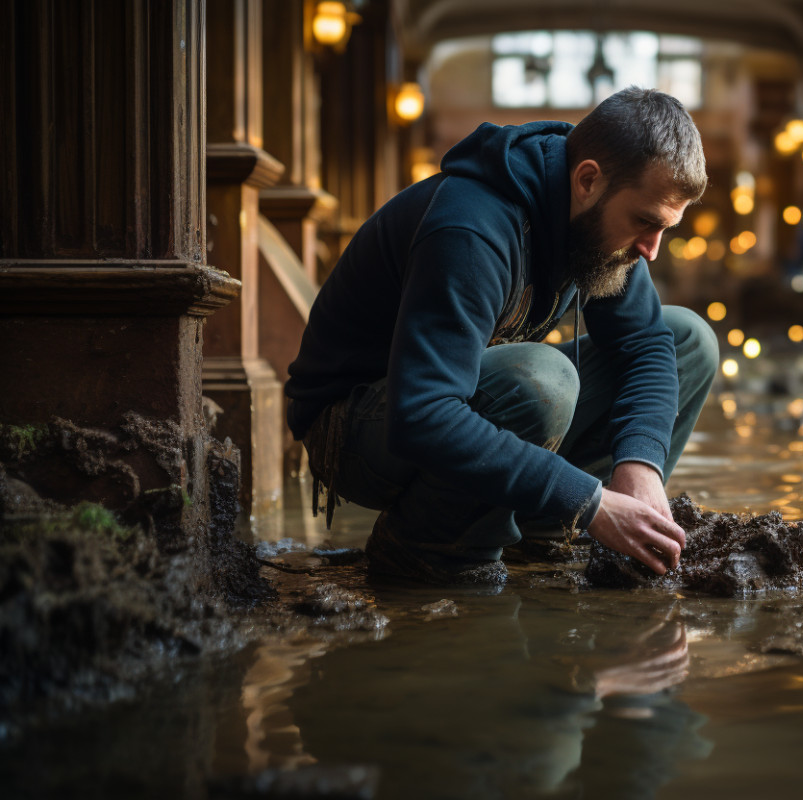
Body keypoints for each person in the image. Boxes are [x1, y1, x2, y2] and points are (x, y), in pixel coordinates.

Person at [284, 87, 718, 584]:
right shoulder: (471, 229)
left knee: (689, 340)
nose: (652, 250)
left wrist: (640, 464)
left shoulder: (602, 227)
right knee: (541, 381)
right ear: (589, 180)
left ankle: (544, 529)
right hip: (358, 428)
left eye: (665, 228)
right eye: (644, 222)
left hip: (458, 406)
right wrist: (591, 501)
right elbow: (423, 414)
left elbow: (646, 345)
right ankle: (429, 544)